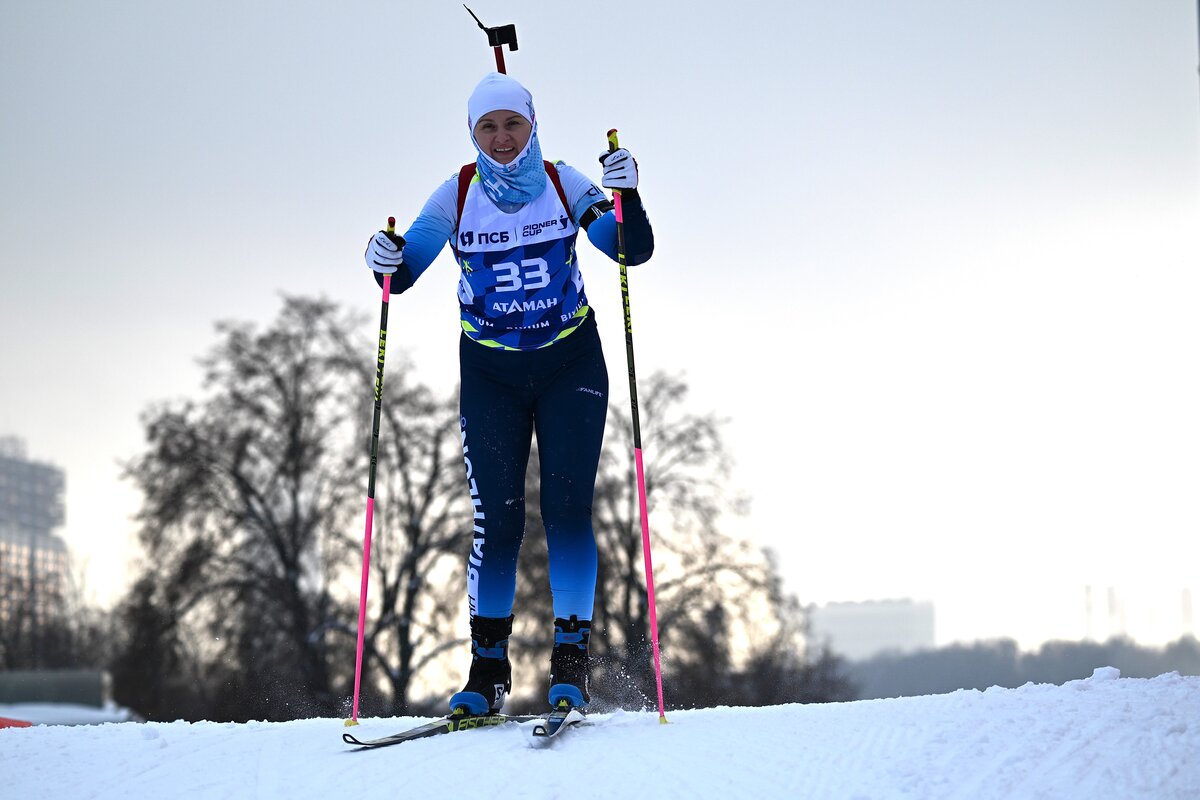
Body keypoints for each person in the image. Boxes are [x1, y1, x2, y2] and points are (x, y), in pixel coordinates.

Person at [364, 72, 654, 714]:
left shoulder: (562, 181)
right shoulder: (457, 193)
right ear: (472, 133)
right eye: (487, 127)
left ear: (532, 124)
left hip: (569, 363)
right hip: (491, 375)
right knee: (496, 521)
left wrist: (628, 197)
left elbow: (629, 249)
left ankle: (570, 665)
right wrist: (382, 257)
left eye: (512, 124)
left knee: (567, 511)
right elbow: (404, 270)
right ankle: (488, 670)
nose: (501, 139)